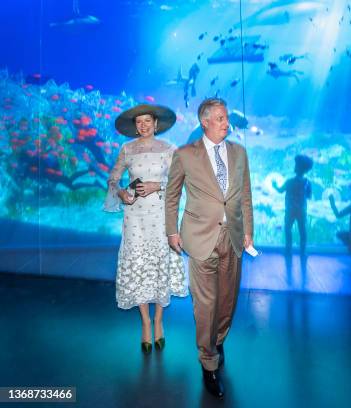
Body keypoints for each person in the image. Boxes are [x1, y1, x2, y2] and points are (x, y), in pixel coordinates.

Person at [165, 97, 253, 399]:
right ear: (204, 122)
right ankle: (208, 362)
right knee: (205, 304)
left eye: (226, 117)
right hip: (200, 239)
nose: (226, 122)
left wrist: (248, 233)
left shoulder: (240, 153)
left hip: (233, 238)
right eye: (219, 118)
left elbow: (245, 198)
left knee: (227, 301)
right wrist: (171, 231)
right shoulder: (185, 154)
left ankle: (218, 339)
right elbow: (172, 195)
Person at [104, 104, 188, 355]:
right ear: (135, 125)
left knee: (159, 264)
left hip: (161, 216)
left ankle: (159, 320)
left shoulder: (169, 149)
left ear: (156, 123)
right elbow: (113, 179)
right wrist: (120, 192)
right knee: (139, 264)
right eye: (139, 122)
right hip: (135, 217)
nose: (143, 125)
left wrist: (157, 184)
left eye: (147, 121)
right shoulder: (127, 149)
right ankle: (145, 322)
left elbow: (179, 181)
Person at [273, 154, 313, 258]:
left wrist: (274, 185)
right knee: (302, 231)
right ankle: (303, 252)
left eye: (296, 165)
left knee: (288, 229)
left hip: (290, 210)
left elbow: (280, 190)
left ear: (297, 168)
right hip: (302, 210)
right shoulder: (308, 183)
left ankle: (288, 251)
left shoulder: (289, 181)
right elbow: (309, 196)